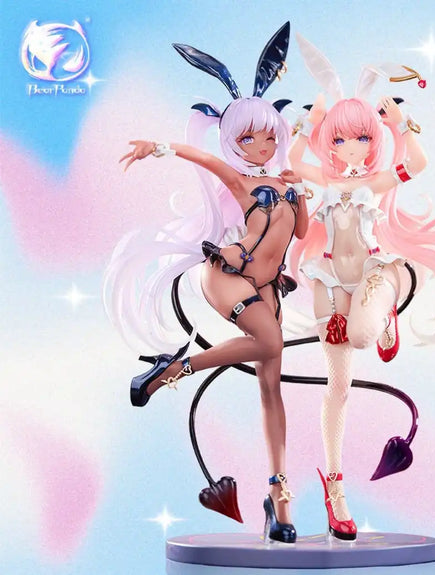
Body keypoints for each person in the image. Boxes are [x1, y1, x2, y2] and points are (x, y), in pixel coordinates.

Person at [289, 38, 435, 541]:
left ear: (373, 139)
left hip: (372, 272)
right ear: (329, 142)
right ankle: (335, 489)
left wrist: (401, 124)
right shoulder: (325, 180)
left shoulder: (379, 181)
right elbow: (296, 160)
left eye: (360, 137)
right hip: (329, 281)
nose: (350, 147)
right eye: (339, 138)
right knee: (338, 386)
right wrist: (307, 119)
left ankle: (386, 317)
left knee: (363, 337)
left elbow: (418, 164)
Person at [104, 23, 307, 544]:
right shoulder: (242, 183)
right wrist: (157, 147)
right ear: (233, 140)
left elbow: (302, 234)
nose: (261, 146)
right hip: (227, 275)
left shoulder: (287, 187)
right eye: (248, 138)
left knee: (271, 388)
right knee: (270, 343)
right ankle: (176, 369)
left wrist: (301, 191)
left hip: (268, 288)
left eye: (269, 136)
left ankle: (279, 499)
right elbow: (206, 160)